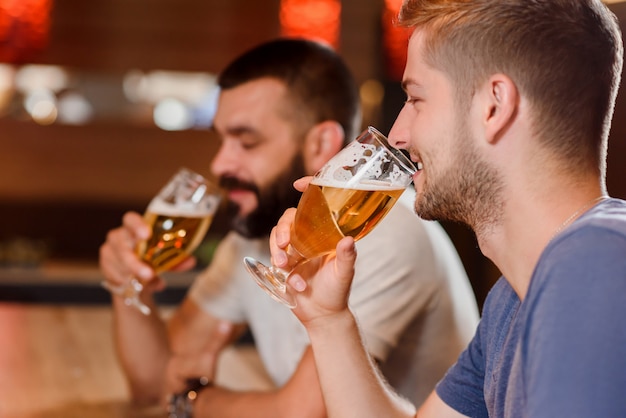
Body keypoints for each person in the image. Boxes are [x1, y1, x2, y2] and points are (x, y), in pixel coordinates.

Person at [269, 1, 626, 417]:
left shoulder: (595, 265)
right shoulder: (514, 296)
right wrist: (329, 321)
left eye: (416, 99)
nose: (397, 135)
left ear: (494, 106)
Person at [99, 38, 480, 417]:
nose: (219, 164)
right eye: (222, 139)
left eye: (246, 142)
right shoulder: (253, 235)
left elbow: (299, 414)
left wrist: (195, 401)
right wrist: (128, 285)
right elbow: (154, 384)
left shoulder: (380, 231)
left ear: (321, 144)